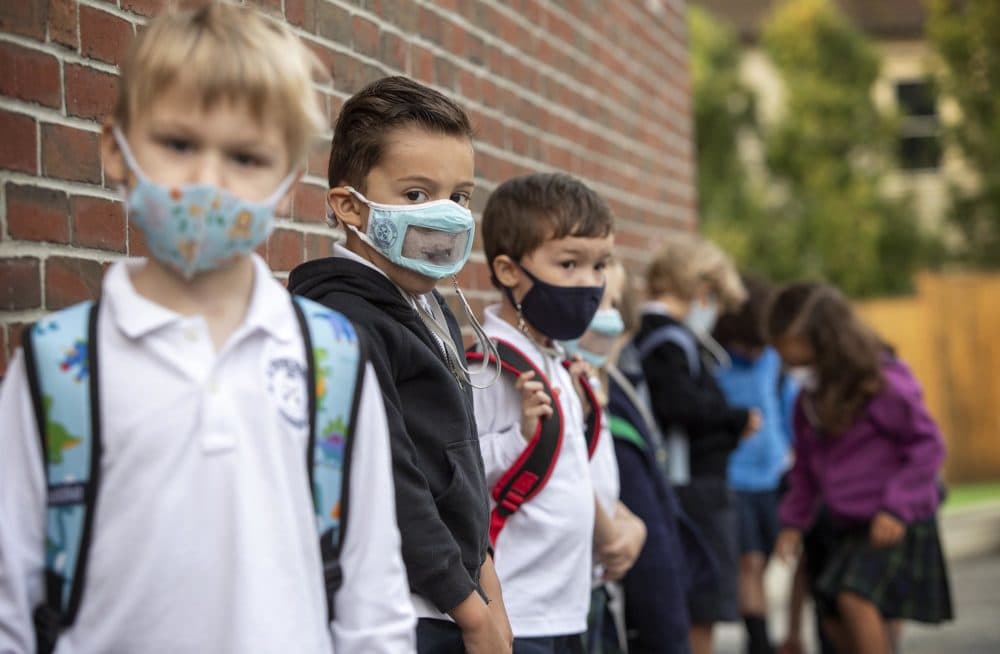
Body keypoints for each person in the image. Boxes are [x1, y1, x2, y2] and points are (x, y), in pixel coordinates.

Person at [0, 5, 415, 653]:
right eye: (178, 144)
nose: (207, 182)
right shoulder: (62, 363)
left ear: (285, 186)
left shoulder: (329, 357)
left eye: (246, 157)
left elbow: (373, 598)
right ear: (117, 148)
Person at [287, 76, 511, 654]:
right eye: (416, 195)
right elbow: (392, 478)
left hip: (459, 600)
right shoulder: (343, 321)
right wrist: (473, 613)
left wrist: (487, 585)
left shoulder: (428, 300)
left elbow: (456, 460)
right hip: (408, 612)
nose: (447, 215)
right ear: (348, 207)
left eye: (459, 196)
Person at [471, 172, 615, 653]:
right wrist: (518, 437)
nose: (590, 283)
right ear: (510, 270)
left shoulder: (555, 360)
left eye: (600, 266)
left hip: (570, 601)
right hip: (518, 610)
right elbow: (461, 474)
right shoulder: (491, 367)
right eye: (570, 263)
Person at [769, 282, 953, 654]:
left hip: (895, 518)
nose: (779, 350)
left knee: (855, 597)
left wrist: (897, 507)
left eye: (785, 340)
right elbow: (805, 468)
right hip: (851, 523)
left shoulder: (880, 382)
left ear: (819, 335)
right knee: (833, 610)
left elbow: (928, 445)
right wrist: (792, 522)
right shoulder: (809, 397)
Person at [637, 235, 756, 654]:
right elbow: (680, 405)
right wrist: (738, 419)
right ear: (703, 290)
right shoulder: (669, 341)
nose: (714, 313)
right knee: (700, 606)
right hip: (694, 493)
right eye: (716, 301)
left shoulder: (653, 336)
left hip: (689, 488)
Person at [560, 262, 647, 654]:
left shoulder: (596, 379)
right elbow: (567, 471)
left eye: (613, 302)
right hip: (567, 589)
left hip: (595, 583)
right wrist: (614, 536)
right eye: (600, 302)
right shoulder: (563, 381)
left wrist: (632, 524)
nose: (610, 316)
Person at [713, 275, 796, 654]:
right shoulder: (716, 362)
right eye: (749, 344)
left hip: (773, 478)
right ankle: (760, 642)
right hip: (734, 480)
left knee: (767, 566)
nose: (756, 352)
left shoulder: (774, 363)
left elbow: (789, 414)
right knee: (749, 563)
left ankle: (776, 633)